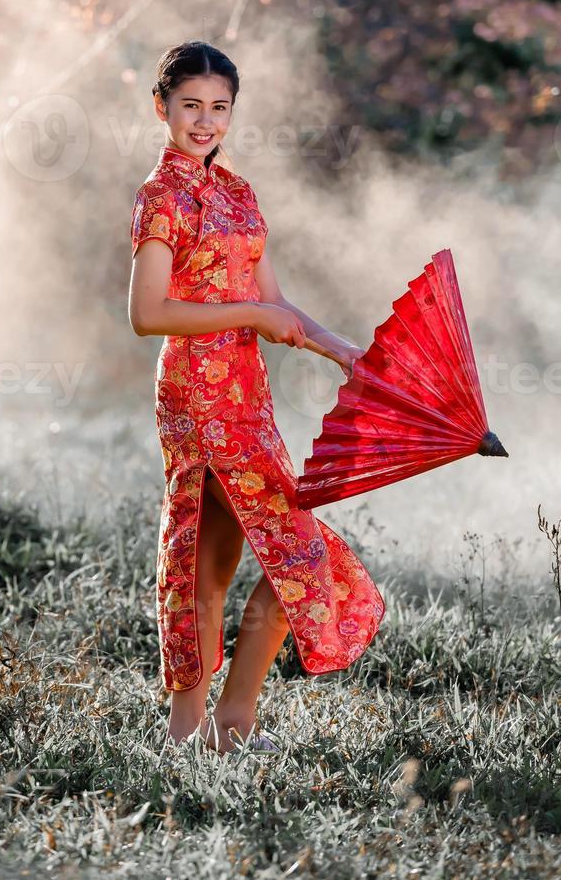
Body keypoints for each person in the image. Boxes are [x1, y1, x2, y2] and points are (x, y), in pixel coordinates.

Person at [128, 41, 385, 755]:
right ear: (162, 108)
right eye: (190, 106)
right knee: (245, 560)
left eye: (219, 108)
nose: (205, 122)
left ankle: (227, 724)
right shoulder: (161, 199)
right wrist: (249, 317)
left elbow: (272, 301)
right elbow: (149, 313)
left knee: (249, 558)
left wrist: (341, 350)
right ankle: (196, 729)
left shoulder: (238, 194)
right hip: (196, 396)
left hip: (246, 393)